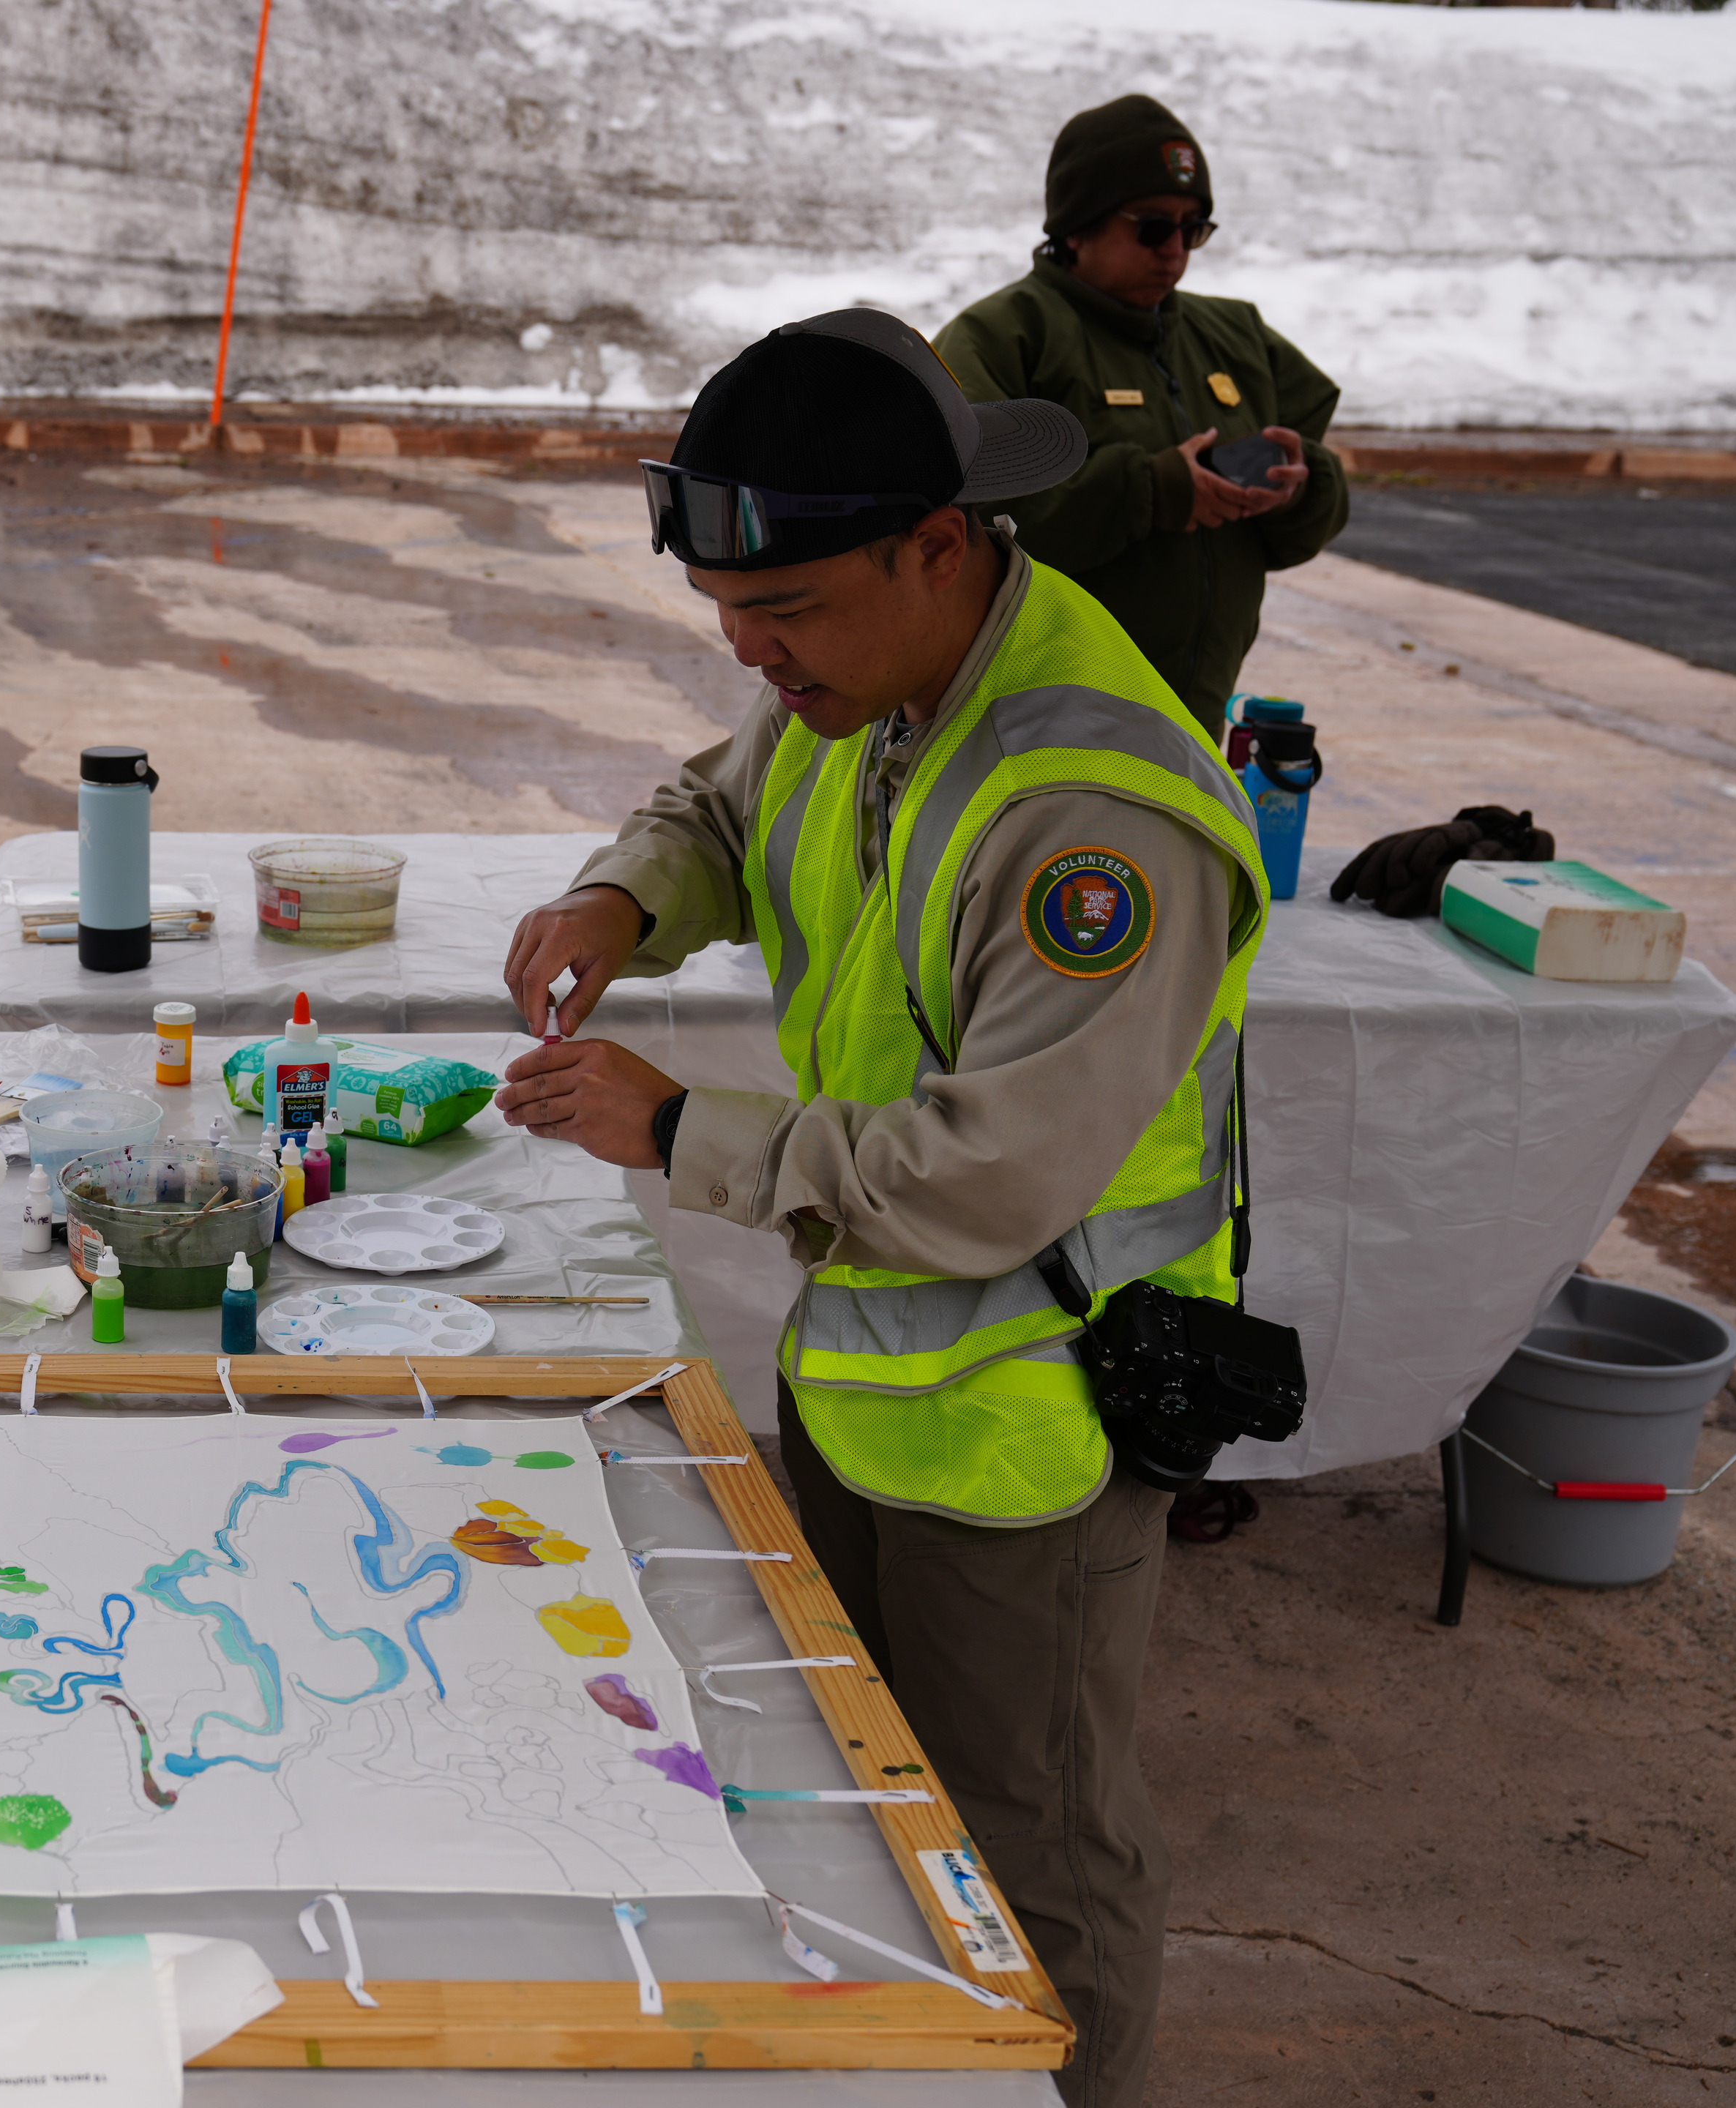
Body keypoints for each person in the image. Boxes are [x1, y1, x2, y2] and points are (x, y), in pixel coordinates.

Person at [495, 309, 1270, 2108]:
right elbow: (722, 800)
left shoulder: (1093, 814)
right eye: (724, 625)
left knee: (1031, 1834)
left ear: (941, 544)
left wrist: (684, 1124)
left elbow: (991, 1172)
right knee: (855, 1777)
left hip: (1038, 1413)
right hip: (872, 1363)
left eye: (788, 617)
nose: (756, 663)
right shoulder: (874, 685)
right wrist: (629, 897)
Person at [934, 94, 1350, 737]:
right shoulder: (1001, 337)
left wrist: (1299, 487)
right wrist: (1153, 491)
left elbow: (1302, 520)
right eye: (1154, 227)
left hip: (1195, 719)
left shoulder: (1237, 336)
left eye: (1195, 229)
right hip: (1038, 723)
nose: (1176, 250)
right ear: (1076, 227)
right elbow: (984, 527)